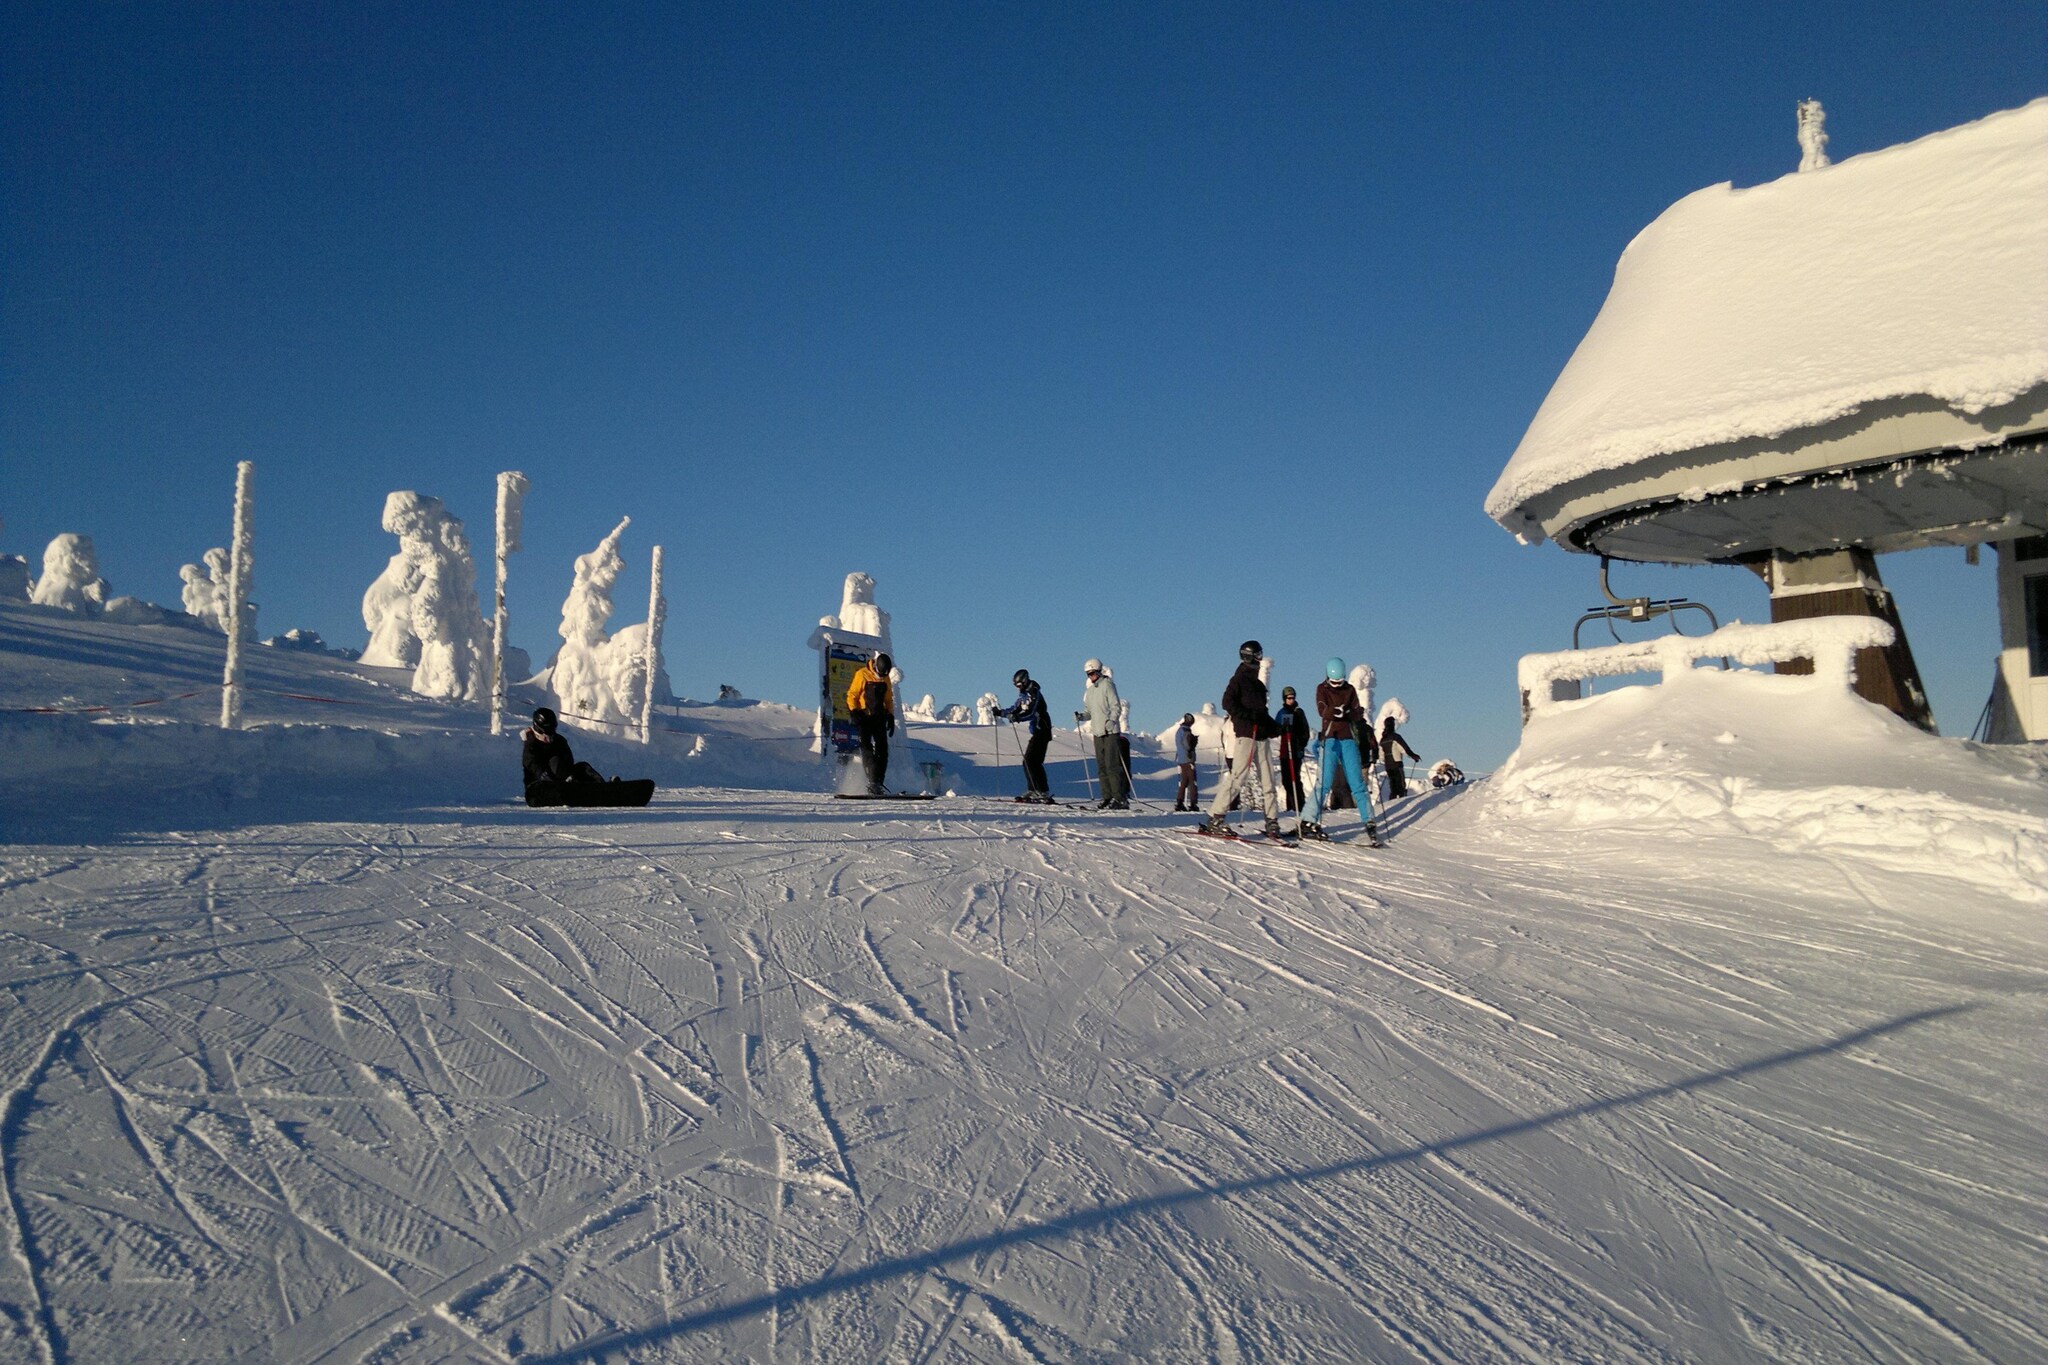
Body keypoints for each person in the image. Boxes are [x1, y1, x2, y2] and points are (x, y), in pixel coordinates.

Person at [1203, 641, 1286, 839]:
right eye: (1257, 654)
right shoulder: (1238, 680)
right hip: (1246, 734)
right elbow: (1228, 703)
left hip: (1261, 737)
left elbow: (1262, 713)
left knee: (1268, 780)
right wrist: (1248, 716)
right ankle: (1215, 816)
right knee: (1238, 776)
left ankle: (1272, 820)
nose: (1260, 658)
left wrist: (1277, 728)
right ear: (1248, 656)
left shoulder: (1258, 684)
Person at [1299, 657, 1380, 844]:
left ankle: (1369, 821)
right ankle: (1308, 820)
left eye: (1340, 681)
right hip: (1329, 739)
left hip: (1347, 740)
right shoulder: (1322, 689)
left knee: (1357, 783)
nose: (1337, 685)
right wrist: (1335, 712)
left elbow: (1358, 711)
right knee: (1324, 783)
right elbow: (1322, 709)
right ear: (1328, 677)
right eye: (1334, 682)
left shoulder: (1350, 690)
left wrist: (1349, 713)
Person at [997, 668, 1053, 801]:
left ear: (1025, 680)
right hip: (1037, 731)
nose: (1018, 688)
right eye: (1016, 686)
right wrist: (1001, 713)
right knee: (1030, 761)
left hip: (1043, 729)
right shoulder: (1024, 695)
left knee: (1031, 761)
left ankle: (1042, 791)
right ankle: (1033, 789)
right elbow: (1015, 708)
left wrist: (1016, 718)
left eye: (1020, 685)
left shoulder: (1034, 692)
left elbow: (1031, 712)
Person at [522, 707, 603, 798]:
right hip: (539, 786)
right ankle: (569, 788)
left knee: (583, 767)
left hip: (564, 780)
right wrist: (544, 776)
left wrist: (572, 775)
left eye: (551, 734)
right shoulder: (531, 744)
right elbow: (532, 764)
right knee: (554, 761)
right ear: (538, 730)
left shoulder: (559, 741)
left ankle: (602, 787)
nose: (549, 739)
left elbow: (568, 761)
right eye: (546, 735)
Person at [1080, 658, 1129, 809]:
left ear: (1099, 671)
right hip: (1097, 732)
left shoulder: (1108, 685)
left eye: (1092, 673)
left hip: (1110, 731)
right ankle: (1106, 796)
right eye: (1088, 674)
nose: (1091, 676)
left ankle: (1119, 798)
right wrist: (1082, 717)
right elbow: (1089, 712)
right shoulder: (1090, 692)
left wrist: (1112, 720)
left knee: (1111, 765)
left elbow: (1116, 706)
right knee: (1101, 766)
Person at [846, 651, 896, 795]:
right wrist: (854, 711)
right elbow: (852, 695)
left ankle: (878, 782)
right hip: (864, 718)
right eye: (880, 674)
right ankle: (872, 782)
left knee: (883, 751)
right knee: (867, 749)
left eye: (884, 675)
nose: (882, 677)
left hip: (879, 718)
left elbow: (888, 699)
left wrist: (891, 716)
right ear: (875, 667)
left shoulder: (886, 679)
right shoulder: (862, 675)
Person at [1274, 685, 1312, 813]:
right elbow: (1275, 728)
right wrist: (1281, 729)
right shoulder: (1282, 713)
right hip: (1285, 750)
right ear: (1284, 699)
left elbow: (1305, 731)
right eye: (1288, 698)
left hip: (1295, 750)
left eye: (1292, 698)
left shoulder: (1298, 712)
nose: (1291, 700)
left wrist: (1301, 745)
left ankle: (1299, 806)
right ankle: (1291, 805)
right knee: (1286, 780)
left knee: (1294, 778)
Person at [1380, 711, 1421, 800]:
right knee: (1401, 786)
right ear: (1392, 725)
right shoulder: (1396, 737)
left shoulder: (1383, 739)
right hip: (1397, 763)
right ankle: (1402, 802)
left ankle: (1392, 803)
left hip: (1388, 765)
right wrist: (1413, 756)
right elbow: (1404, 749)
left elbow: (1381, 756)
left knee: (1393, 786)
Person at [1173, 712, 1200, 812]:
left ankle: (1179, 802)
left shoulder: (1179, 731)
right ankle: (1193, 803)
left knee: (1183, 781)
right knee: (1192, 782)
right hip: (1188, 760)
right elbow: (1188, 745)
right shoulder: (1186, 732)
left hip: (1181, 759)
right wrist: (1192, 744)